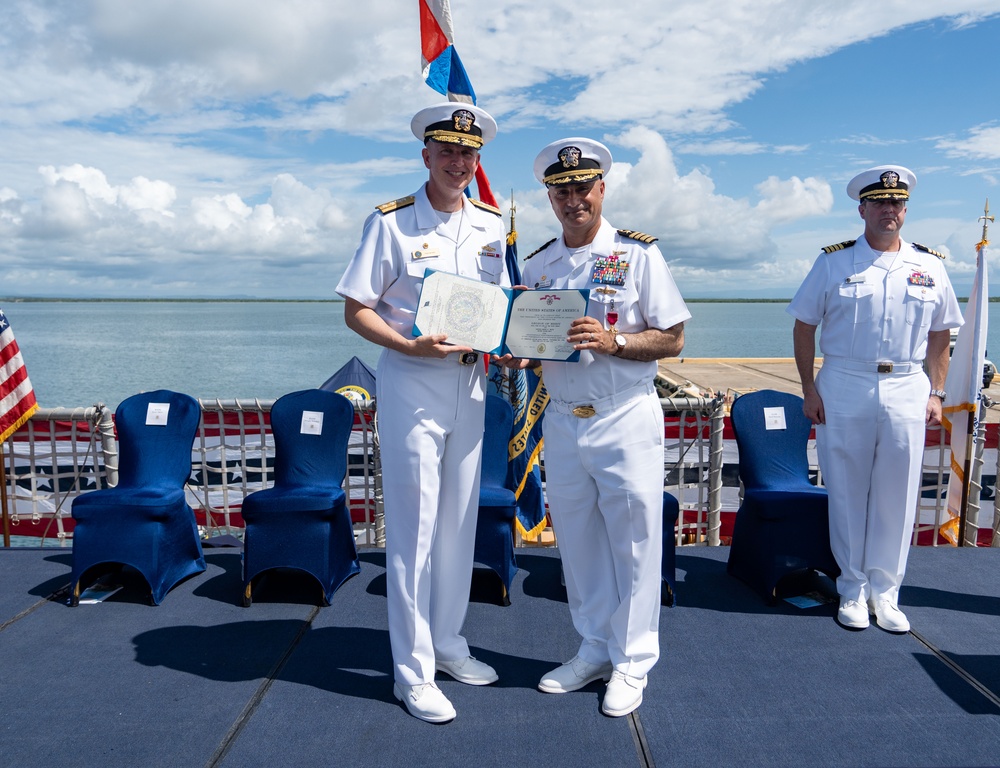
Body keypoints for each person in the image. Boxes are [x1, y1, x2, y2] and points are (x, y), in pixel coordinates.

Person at [335, 103, 509, 723]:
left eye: (469, 153)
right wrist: (407, 344)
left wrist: (515, 345)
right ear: (426, 155)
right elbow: (356, 308)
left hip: (472, 386)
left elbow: (500, 307)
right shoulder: (391, 224)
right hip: (412, 382)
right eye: (448, 151)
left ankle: (449, 642)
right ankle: (412, 672)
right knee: (413, 530)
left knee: (460, 524)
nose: (459, 162)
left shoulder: (491, 226)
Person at [510, 138, 690, 717]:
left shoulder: (638, 255)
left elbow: (673, 337)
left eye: (582, 187)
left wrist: (614, 341)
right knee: (579, 543)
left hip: (625, 416)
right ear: (550, 196)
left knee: (635, 544)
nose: (572, 199)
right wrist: (518, 351)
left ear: (601, 189)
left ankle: (633, 661)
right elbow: (532, 343)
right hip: (562, 422)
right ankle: (592, 647)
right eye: (561, 190)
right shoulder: (538, 265)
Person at [788, 165, 963, 633]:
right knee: (846, 489)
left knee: (898, 493)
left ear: (905, 210)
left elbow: (942, 333)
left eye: (898, 203)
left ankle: (886, 593)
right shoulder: (833, 263)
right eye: (880, 203)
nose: (890, 210)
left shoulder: (929, 265)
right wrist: (808, 387)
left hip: (908, 385)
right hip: (845, 382)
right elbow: (805, 326)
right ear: (862, 208)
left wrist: (938, 392)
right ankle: (851, 588)